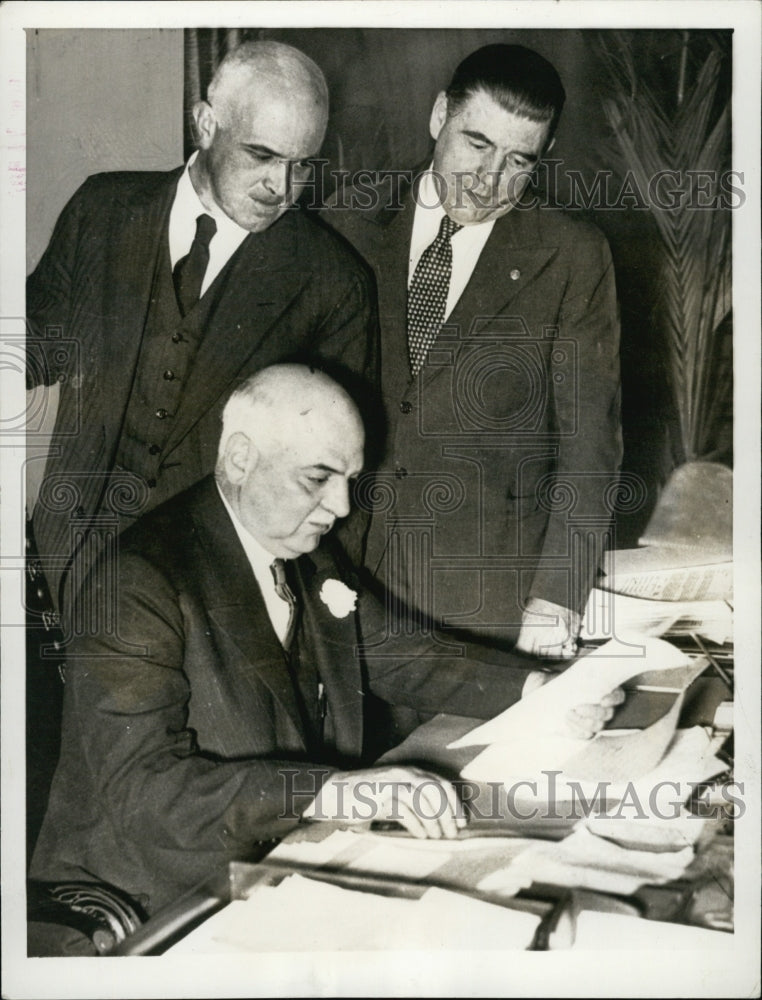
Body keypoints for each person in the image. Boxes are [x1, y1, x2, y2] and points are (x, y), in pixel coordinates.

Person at [30, 365, 623, 927]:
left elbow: (399, 653)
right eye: (317, 478)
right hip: (152, 899)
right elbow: (148, 792)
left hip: (278, 864)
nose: (340, 507)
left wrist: (536, 689)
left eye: (350, 481)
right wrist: (333, 792)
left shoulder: (301, 548)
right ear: (240, 458)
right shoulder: (138, 580)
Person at [26, 40, 378, 617]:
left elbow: (338, 482)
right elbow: (37, 343)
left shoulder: (335, 282)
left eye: (301, 166)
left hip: (210, 597)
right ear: (205, 123)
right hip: (66, 561)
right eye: (260, 155)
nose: (281, 187)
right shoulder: (103, 210)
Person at [324, 44, 622, 660]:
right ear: (439, 117)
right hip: (337, 578)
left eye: (519, 161)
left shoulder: (571, 256)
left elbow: (590, 449)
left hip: (479, 606)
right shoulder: (344, 222)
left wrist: (557, 602)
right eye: (477, 144)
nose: (489, 181)